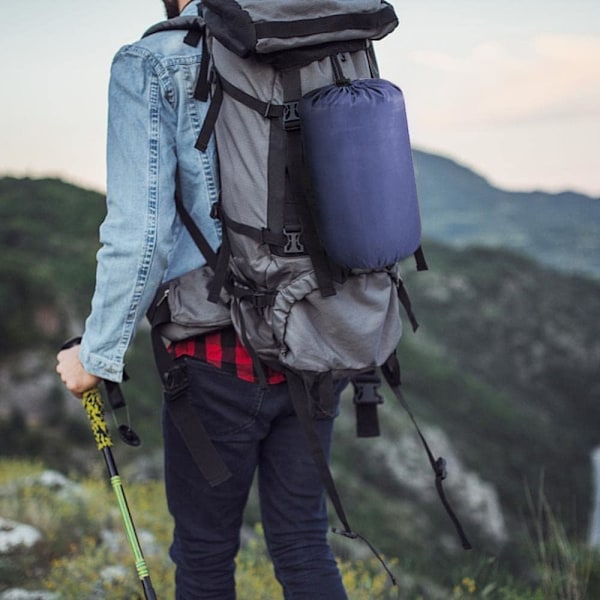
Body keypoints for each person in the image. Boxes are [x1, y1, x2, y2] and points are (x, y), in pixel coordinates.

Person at [55, 1, 348, 598]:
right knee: (303, 544)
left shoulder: (153, 59)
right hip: (320, 337)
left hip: (218, 358)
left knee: (206, 558)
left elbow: (141, 232)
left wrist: (97, 354)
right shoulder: (321, 34)